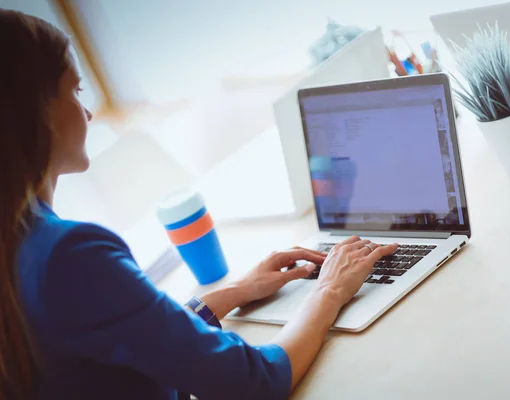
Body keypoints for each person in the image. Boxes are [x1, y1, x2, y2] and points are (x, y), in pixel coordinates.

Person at [0, 10, 398, 400]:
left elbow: (131, 341)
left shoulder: (21, 245)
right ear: (35, 111)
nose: (86, 111)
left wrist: (236, 291)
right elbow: (254, 382)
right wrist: (328, 290)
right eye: (74, 90)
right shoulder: (70, 254)